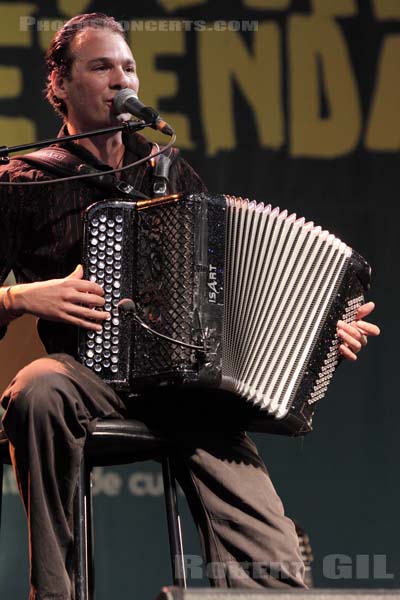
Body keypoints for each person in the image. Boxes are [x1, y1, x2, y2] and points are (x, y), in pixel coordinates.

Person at [0, 13, 380, 600]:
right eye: (100, 66)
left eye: (127, 67)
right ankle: (56, 591)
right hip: (86, 374)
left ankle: (269, 588)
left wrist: (323, 331)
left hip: (183, 381)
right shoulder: (24, 180)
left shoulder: (171, 175)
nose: (119, 78)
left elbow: (237, 295)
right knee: (37, 390)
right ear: (59, 84)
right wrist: (23, 296)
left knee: (273, 559)